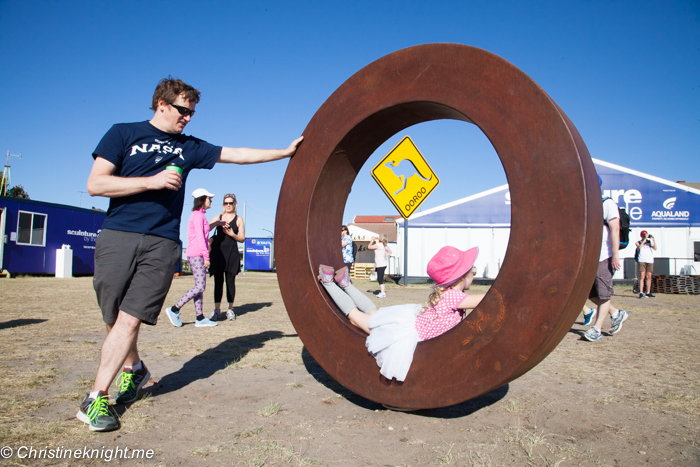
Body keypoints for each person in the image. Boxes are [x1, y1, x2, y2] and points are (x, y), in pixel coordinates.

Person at [79, 77, 303, 432]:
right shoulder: (122, 133)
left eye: (192, 113)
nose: (188, 118)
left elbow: (237, 155)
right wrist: (151, 181)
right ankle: (134, 370)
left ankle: (95, 398)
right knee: (113, 315)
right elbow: (96, 184)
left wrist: (284, 152)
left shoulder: (188, 147)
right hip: (118, 236)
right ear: (161, 104)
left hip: (162, 243)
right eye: (183, 110)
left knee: (131, 318)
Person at [318, 246, 485, 382]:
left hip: (407, 322)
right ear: (462, 276)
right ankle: (328, 283)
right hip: (404, 333)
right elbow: (486, 299)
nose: (474, 278)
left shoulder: (449, 295)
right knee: (356, 316)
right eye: (473, 274)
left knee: (374, 314)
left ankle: (346, 285)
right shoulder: (454, 296)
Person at [584, 176, 630, 342]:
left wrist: (615, 255)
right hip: (590, 257)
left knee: (604, 294)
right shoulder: (588, 206)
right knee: (588, 293)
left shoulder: (607, 203)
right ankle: (617, 314)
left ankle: (596, 329)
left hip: (605, 255)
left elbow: (615, 229)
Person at [165, 189, 217, 328]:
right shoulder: (198, 216)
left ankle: (200, 318)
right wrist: (206, 257)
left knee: (199, 287)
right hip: (197, 254)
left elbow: (203, 232)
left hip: (196, 253)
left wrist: (217, 224)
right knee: (200, 286)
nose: (211, 201)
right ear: (203, 199)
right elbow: (201, 238)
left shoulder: (199, 215)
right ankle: (174, 309)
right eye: (209, 198)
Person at [208, 193, 245, 321]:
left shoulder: (238, 219)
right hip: (218, 254)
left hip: (231, 253)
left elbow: (242, 238)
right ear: (223, 204)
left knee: (230, 282)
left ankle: (230, 310)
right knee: (218, 282)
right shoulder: (218, 217)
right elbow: (206, 228)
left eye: (230, 203)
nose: (228, 205)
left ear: (235, 204)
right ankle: (217, 310)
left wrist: (232, 234)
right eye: (226, 203)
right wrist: (217, 223)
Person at [635, 230, 657, 298]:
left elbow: (655, 248)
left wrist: (653, 240)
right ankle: (641, 292)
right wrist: (644, 239)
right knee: (642, 276)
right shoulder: (638, 242)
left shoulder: (649, 242)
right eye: (644, 235)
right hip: (642, 260)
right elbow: (639, 247)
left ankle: (648, 292)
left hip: (649, 260)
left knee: (649, 276)